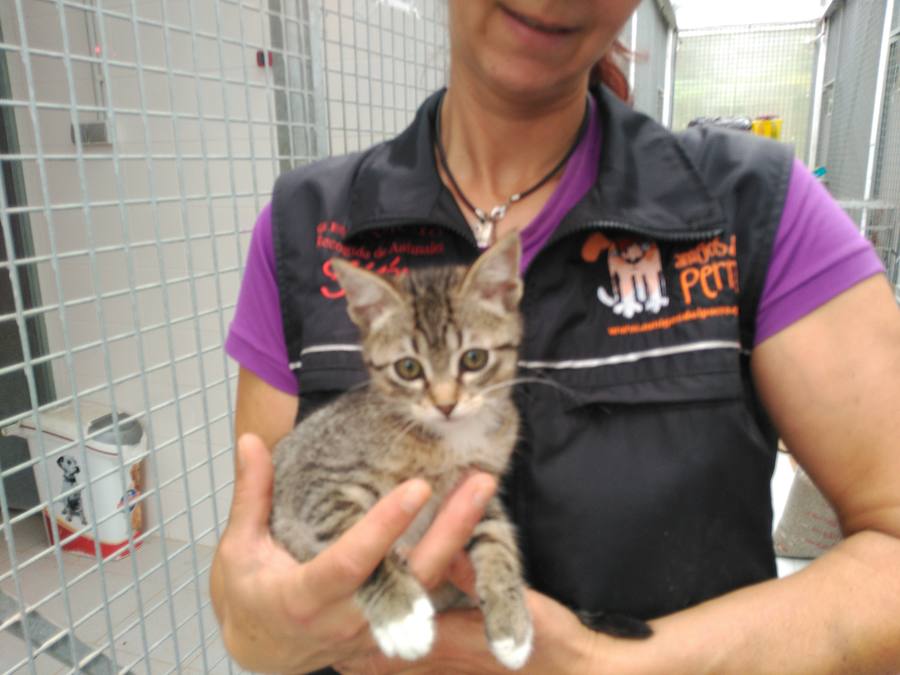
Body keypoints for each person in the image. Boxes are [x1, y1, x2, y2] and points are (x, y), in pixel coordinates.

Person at [211, 1, 900, 673]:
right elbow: (254, 587)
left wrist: (596, 664)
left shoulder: (753, 205)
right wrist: (261, 636)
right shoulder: (304, 229)